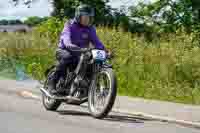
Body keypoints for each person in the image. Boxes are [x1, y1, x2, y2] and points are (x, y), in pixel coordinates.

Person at [48, 4, 108, 95]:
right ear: (78, 16)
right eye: (86, 17)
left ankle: (84, 87)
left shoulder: (90, 29)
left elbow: (97, 42)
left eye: (90, 17)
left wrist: (106, 51)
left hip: (80, 54)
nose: (88, 19)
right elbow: (67, 41)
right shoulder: (69, 25)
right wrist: (74, 47)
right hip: (64, 50)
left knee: (91, 63)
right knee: (68, 57)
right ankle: (52, 83)